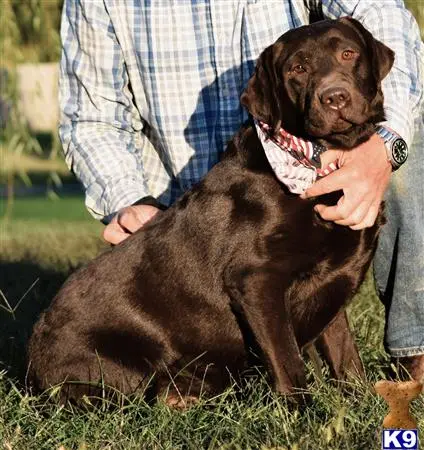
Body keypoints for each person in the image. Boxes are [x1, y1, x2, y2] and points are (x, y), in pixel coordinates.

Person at [59, 1, 424, 381]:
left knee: (411, 120)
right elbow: (91, 119)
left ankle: (417, 350)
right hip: (182, 216)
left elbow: (381, 11)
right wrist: (130, 200)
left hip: (304, 157)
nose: (334, 89)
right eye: (300, 69)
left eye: (347, 55)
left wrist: (386, 145)